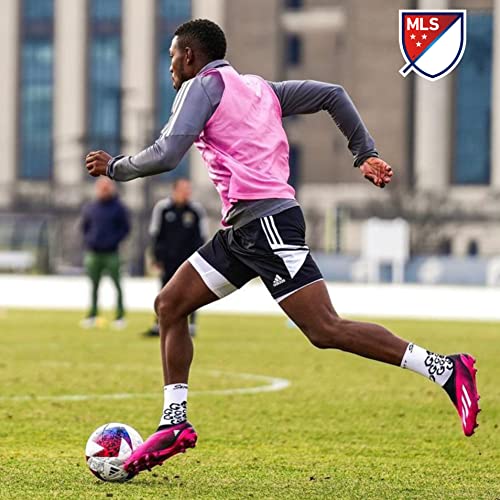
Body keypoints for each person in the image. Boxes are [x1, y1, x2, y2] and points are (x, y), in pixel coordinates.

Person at [84, 19, 480, 474]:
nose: (170, 65)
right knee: (170, 304)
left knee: (325, 329)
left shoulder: (200, 87)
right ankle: (174, 423)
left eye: (172, 56)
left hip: (268, 226)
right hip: (242, 230)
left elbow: (167, 152)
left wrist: (116, 167)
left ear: (190, 56)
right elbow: (332, 94)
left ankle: (445, 369)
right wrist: (363, 152)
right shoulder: (259, 88)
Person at [144, 178, 207, 337]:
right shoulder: (163, 209)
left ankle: (191, 324)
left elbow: (201, 237)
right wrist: (157, 257)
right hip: (168, 260)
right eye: (183, 189)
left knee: (191, 293)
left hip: (189, 260)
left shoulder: (195, 211)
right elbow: (156, 234)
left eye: (188, 189)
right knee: (164, 292)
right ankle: (159, 324)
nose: (186, 193)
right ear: (175, 190)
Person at [80, 177, 130, 329]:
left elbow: (125, 228)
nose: (104, 190)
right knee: (94, 285)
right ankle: (92, 314)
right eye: (102, 187)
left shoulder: (119, 208)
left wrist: (113, 240)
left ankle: (120, 316)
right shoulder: (91, 207)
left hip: (112, 253)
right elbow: (84, 227)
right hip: (93, 252)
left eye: (107, 187)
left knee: (117, 284)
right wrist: (89, 240)